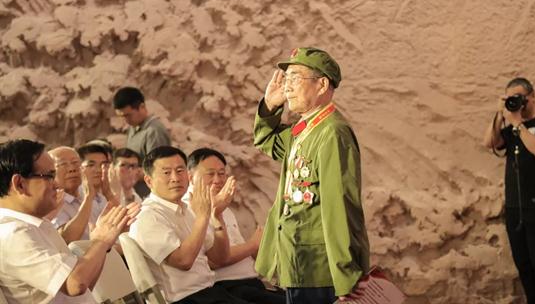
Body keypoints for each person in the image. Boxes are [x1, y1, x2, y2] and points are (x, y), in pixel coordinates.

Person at [253, 47, 370, 304]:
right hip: (299, 261)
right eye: (286, 78)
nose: (287, 87)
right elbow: (267, 142)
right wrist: (270, 107)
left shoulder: (332, 132)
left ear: (322, 85)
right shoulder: (306, 128)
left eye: (295, 78)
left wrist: (345, 278)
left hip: (321, 269)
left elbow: (338, 208)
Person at [0, 139, 137, 303]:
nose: (56, 184)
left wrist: (101, 243)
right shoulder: (13, 233)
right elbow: (75, 284)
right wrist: (101, 241)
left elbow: (85, 285)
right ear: (19, 184)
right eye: (49, 176)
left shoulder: (36, 225)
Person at [128, 145, 255, 304]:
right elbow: (183, 261)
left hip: (210, 292)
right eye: (167, 173)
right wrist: (203, 216)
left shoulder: (187, 210)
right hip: (184, 299)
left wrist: (217, 216)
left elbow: (219, 258)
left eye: (180, 170)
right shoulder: (147, 216)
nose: (175, 178)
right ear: (149, 181)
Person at [483, 77, 535, 304]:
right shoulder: (513, 127)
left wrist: (518, 124)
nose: (515, 103)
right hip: (515, 205)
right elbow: (489, 142)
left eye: (518, 98)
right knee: (524, 265)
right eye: (510, 98)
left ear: (532, 97)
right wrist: (500, 115)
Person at [186, 148, 286, 304]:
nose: (217, 180)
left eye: (221, 173)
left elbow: (240, 247)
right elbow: (213, 260)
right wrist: (252, 245)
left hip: (251, 281)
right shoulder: (189, 210)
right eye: (210, 174)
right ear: (191, 178)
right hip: (227, 286)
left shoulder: (224, 205)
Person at [113, 87, 171, 199]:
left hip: (150, 196)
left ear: (142, 107)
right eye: (122, 117)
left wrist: (128, 173)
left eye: (128, 115)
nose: (125, 120)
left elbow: (158, 169)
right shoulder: (133, 128)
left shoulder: (154, 131)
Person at [48, 145, 115, 243]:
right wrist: (88, 198)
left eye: (75, 163)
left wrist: (108, 192)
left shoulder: (88, 192)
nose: (72, 169)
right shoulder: (52, 201)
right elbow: (67, 239)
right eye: (63, 164)